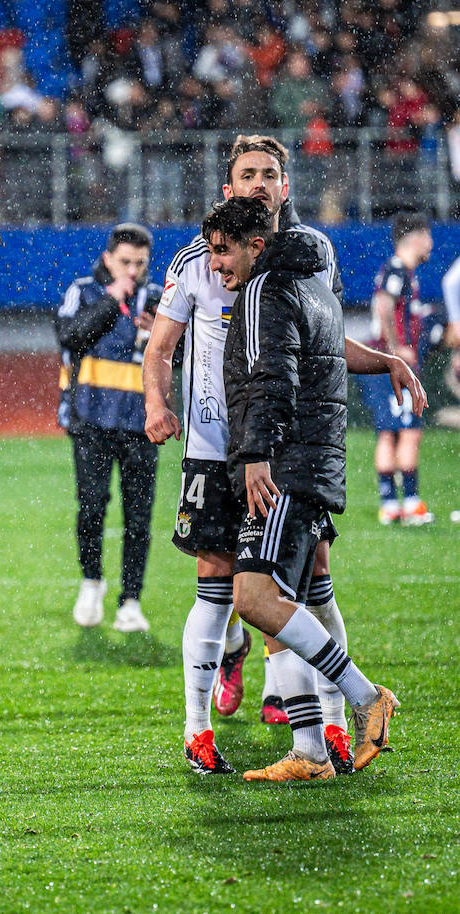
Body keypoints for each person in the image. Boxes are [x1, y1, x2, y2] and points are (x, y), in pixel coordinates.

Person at [144, 135, 425, 775]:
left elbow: (310, 346)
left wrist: (380, 360)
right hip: (222, 449)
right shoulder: (200, 260)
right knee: (229, 587)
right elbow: (160, 348)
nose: (262, 184)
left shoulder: (300, 260)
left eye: (272, 173)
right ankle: (203, 729)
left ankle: (329, 725)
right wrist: (156, 405)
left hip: (274, 452)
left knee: (289, 587)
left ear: (286, 185)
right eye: (250, 174)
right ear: (229, 188)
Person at [205, 195, 397, 782]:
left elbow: (272, 378)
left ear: (255, 245)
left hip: (286, 466)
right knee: (288, 604)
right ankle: (311, 752)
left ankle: (366, 698)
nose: (217, 267)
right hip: (315, 461)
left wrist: (257, 453)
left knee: (254, 599)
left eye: (222, 252)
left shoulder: (264, 291)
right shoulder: (312, 281)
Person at [56, 223, 162, 634]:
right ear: (108, 259)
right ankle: (91, 581)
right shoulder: (83, 290)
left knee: (139, 519)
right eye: (124, 262)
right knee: (92, 507)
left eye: (139, 263)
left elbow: (183, 355)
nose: (132, 271)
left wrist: (161, 336)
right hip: (91, 421)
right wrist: (110, 298)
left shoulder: (158, 298)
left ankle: (131, 601)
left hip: (142, 423)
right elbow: (69, 335)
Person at [357, 212, 434, 526]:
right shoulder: (398, 270)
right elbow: (383, 306)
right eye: (427, 236)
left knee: (388, 432)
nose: (431, 242)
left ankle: (390, 504)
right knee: (410, 432)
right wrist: (395, 349)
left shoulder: (397, 271)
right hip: (393, 364)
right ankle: (411, 503)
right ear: (415, 238)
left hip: (381, 365)